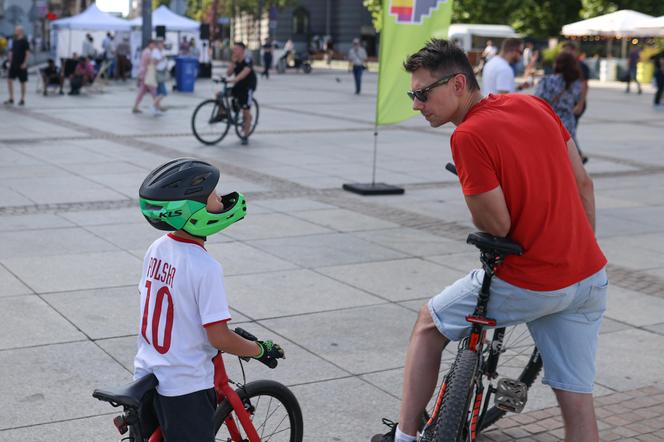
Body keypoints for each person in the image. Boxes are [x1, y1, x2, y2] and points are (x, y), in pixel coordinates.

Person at [371, 38, 607, 442]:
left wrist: (473, 187)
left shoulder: (468, 137)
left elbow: (496, 226)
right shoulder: (535, 104)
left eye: (423, 94)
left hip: (531, 281)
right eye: (413, 95)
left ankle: (405, 436)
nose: (416, 105)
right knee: (579, 406)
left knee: (429, 323)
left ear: (458, 84)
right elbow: (584, 183)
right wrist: (574, 254)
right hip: (588, 278)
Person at [135, 158, 285, 442]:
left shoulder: (156, 249)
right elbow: (218, 337)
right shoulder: (205, 267)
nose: (220, 200)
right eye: (214, 196)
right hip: (184, 387)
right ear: (193, 212)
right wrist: (258, 350)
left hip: (147, 375)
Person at [535, 52, 585, 161]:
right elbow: (576, 99)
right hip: (568, 123)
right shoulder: (576, 83)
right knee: (567, 160)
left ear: (557, 64)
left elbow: (536, 101)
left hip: (548, 121)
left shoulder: (547, 81)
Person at [226, 42, 257, 145]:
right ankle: (221, 114)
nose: (234, 51)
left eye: (236, 49)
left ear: (242, 50)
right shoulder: (235, 60)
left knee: (245, 111)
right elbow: (229, 73)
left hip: (247, 87)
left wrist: (235, 80)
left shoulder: (248, 60)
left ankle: (245, 136)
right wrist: (232, 62)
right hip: (238, 85)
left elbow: (245, 73)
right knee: (220, 94)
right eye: (233, 49)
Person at [561, 42, 589, 148]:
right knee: (566, 131)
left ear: (574, 51)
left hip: (575, 103)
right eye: (564, 51)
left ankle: (577, 155)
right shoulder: (562, 64)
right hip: (564, 104)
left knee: (569, 132)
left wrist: (580, 104)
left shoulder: (581, 66)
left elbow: (584, 85)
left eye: (567, 50)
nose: (565, 53)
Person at [4, 26, 30, 106]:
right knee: (9, 80)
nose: (15, 31)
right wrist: (10, 61)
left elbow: (27, 53)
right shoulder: (14, 41)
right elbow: (11, 52)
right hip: (13, 65)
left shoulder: (25, 41)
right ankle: (11, 98)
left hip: (21, 64)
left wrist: (25, 63)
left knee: (22, 82)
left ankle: (22, 99)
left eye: (16, 30)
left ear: (20, 31)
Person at [132, 40, 159, 115]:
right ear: (150, 44)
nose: (154, 47)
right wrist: (156, 61)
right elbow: (148, 62)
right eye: (154, 45)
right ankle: (157, 106)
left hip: (143, 73)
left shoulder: (146, 51)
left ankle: (136, 106)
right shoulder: (148, 52)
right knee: (153, 90)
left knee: (142, 91)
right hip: (146, 73)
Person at [153, 39, 168, 112]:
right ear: (158, 44)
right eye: (161, 44)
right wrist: (161, 59)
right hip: (158, 72)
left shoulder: (161, 51)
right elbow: (154, 62)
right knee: (164, 92)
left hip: (162, 72)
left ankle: (157, 108)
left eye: (163, 44)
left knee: (158, 92)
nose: (162, 45)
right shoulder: (155, 52)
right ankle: (155, 104)